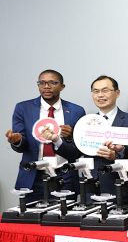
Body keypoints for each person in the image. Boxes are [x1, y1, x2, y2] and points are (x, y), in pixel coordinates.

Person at [53, 75, 128, 204]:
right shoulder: (85, 122)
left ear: (117, 93)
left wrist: (119, 153)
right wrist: (56, 139)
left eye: (105, 90)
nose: (100, 95)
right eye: (96, 91)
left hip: (121, 189)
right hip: (91, 190)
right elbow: (73, 153)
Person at [6, 69, 86, 199]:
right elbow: (22, 147)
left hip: (64, 176)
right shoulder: (23, 108)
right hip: (33, 176)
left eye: (52, 83)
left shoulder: (76, 111)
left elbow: (77, 152)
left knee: (65, 212)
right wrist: (17, 141)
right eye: (42, 83)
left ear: (62, 86)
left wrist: (70, 137)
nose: (46, 86)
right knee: (30, 212)